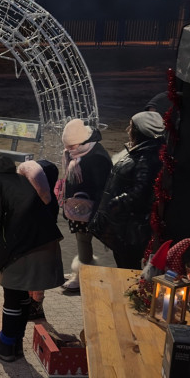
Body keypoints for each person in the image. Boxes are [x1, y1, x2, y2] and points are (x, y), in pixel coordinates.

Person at [0, 146, 65, 361]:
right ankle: (14, 341)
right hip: (40, 240)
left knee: (11, 295)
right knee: (20, 295)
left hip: (24, 246)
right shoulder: (11, 176)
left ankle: (7, 345)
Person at [89, 111, 166, 268]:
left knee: (128, 269)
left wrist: (115, 204)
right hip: (123, 227)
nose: (127, 130)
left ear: (140, 131)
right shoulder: (141, 151)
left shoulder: (146, 157)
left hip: (129, 230)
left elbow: (140, 192)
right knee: (124, 265)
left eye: (131, 126)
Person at [58, 118, 112, 292]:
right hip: (77, 205)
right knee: (81, 240)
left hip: (89, 207)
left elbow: (101, 187)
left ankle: (83, 276)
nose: (68, 150)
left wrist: (96, 214)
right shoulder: (79, 151)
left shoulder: (97, 156)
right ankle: (83, 271)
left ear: (82, 141)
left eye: (71, 146)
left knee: (83, 240)